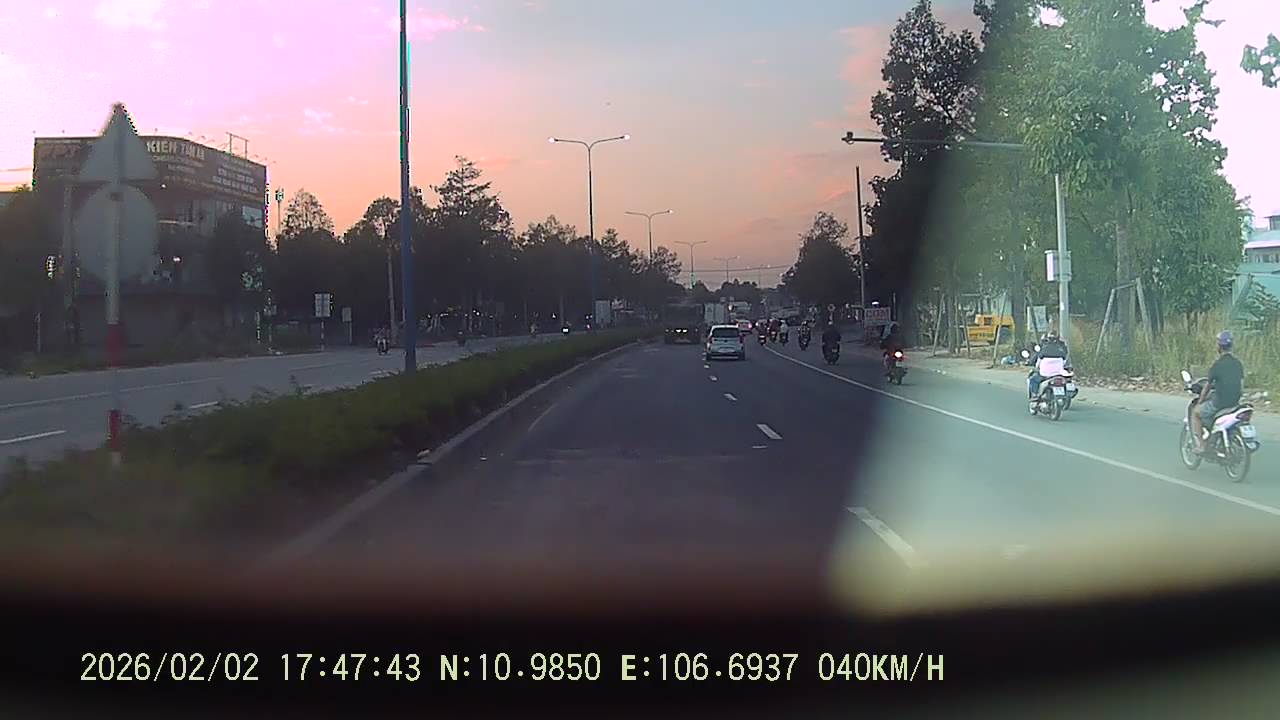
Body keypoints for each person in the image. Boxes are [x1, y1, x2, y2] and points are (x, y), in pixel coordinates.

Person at [1191, 331, 1245, 454]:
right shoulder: (1238, 363)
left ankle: (1201, 446)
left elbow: (1207, 386)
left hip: (1220, 402)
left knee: (1196, 413)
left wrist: (1200, 401)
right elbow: (1241, 385)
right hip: (1235, 402)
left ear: (1219, 346)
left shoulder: (1217, 364)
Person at [1027, 332, 1069, 406]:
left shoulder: (1044, 349)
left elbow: (1037, 363)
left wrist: (1036, 367)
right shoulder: (1062, 349)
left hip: (1045, 374)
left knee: (1033, 380)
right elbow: (1065, 362)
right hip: (1059, 374)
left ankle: (1035, 395)